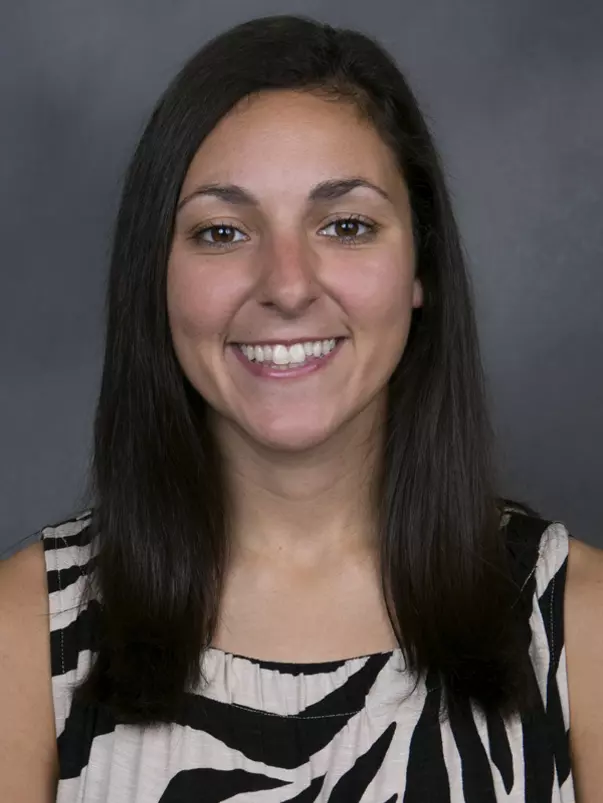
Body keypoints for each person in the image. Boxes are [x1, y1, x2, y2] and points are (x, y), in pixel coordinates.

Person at [1, 13, 601, 803]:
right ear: (157, 276)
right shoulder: (22, 630)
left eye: (346, 225)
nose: (286, 285)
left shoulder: (582, 626)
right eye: (221, 231)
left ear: (419, 267)